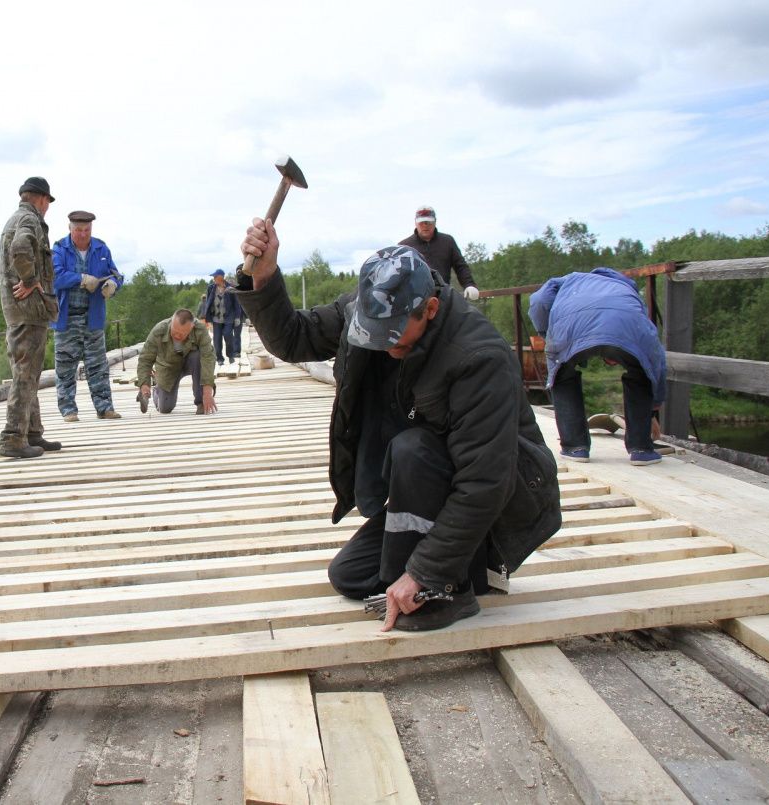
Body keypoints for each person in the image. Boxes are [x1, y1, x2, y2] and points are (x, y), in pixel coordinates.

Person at [239, 219, 561, 632]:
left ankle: (449, 589)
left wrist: (425, 573)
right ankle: (466, 564)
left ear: (430, 308)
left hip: (503, 498)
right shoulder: (364, 308)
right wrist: (263, 276)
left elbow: (485, 482)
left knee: (414, 448)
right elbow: (293, 339)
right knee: (350, 576)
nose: (384, 345)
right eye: (374, 334)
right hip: (430, 488)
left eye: (394, 336)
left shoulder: (478, 356)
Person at [529, 268, 667, 466]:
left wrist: (546, 332)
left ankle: (575, 447)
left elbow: (539, 301)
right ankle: (642, 449)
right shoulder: (628, 290)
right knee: (641, 371)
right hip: (627, 327)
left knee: (562, 376)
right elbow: (655, 360)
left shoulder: (568, 281)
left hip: (570, 327)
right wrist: (653, 408)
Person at [0, 176, 62, 458]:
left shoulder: (12, 220)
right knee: (25, 373)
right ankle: (13, 437)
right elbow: (21, 249)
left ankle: (32, 433)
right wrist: (32, 280)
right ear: (42, 199)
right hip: (29, 309)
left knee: (28, 371)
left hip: (15, 309)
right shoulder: (30, 221)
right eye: (47, 202)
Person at [51, 210, 124, 422]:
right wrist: (81, 279)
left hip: (93, 317)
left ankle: (105, 408)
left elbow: (116, 274)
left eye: (87, 230)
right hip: (66, 317)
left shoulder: (101, 248)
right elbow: (54, 277)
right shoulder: (59, 248)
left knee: (98, 365)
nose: (83, 234)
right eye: (78, 230)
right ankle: (68, 410)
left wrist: (113, 285)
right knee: (65, 366)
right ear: (70, 228)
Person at [135, 309, 218, 415]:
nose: (177, 336)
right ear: (172, 323)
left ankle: (201, 402)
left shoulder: (200, 329)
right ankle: (157, 390)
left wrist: (207, 391)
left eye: (182, 334)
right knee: (165, 408)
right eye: (175, 331)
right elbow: (145, 359)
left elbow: (208, 358)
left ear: (191, 328)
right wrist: (144, 384)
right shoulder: (159, 330)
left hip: (190, 362)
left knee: (197, 356)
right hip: (168, 367)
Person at [399, 205, 480, 301]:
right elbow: (399, 274)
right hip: (416, 301)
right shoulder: (404, 246)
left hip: (444, 297)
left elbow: (460, 266)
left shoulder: (447, 241)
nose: (425, 225)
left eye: (429, 222)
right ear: (416, 223)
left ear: (435, 222)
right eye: (422, 223)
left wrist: (469, 285)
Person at [202, 268, 244, 366]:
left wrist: (237, 317)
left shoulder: (230, 288)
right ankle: (219, 358)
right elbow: (208, 303)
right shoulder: (211, 288)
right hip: (216, 318)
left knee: (228, 335)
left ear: (221, 277)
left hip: (228, 317)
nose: (214, 279)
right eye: (214, 277)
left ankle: (231, 355)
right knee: (217, 340)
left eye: (215, 277)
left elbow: (236, 303)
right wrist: (208, 319)